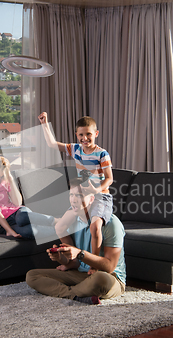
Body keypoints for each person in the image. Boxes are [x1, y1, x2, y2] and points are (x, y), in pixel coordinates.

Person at [26, 178, 126, 305]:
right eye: (71, 195)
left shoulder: (111, 223)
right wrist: (60, 258)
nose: (73, 200)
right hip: (81, 274)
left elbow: (110, 267)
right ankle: (76, 296)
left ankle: (68, 292)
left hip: (110, 277)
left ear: (92, 199)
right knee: (32, 276)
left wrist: (80, 253)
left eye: (79, 195)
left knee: (99, 279)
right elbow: (73, 263)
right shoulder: (72, 221)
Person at [38, 112, 114, 273]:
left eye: (88, 134)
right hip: (82, 195)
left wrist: (96, 189)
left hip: (101, 195)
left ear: (96, 134)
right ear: (76, 135)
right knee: (60, 227)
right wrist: (44, 124)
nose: (84, 138)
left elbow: (109, 179)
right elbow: (52, 144)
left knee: (95, 227)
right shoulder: (75, 149)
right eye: (81, 134)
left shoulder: (102, 153)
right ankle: (74, 261)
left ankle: (94, 264)